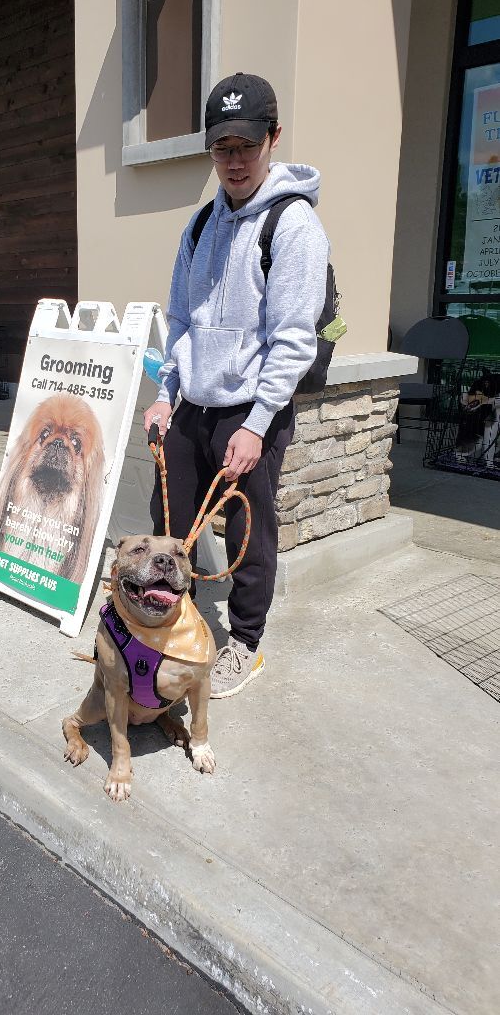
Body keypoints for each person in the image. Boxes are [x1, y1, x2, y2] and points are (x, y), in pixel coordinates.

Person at [143, 72, 330, 700]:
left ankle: (244, 643)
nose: (235, 161)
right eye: (222, 147)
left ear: (273, 137)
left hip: (251, 410)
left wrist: (256, 423)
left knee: (247, 535)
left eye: (247, 144)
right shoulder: (198, 227)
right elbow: (178, 318)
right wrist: (166, 392)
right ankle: (171, 618)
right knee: (171, 524)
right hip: (191, 405)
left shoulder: (292, 225)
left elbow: (293, 339)